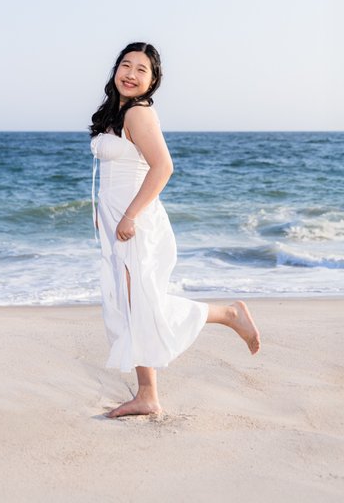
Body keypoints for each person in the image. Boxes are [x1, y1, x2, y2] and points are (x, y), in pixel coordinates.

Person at [89, 42, 260, 419]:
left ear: (153, 80)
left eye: (142, 70)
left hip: (136, 223)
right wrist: (108, 212)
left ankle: (229, 315)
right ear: (115, 69)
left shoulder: (138, 114)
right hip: (120, 220)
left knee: (144, 306)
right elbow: (118, 172)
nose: (131, 74)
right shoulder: (117, 112)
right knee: (135, 307)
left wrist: (130, 216)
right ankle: (147, 395)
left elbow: (163, 168)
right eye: (126, 65)